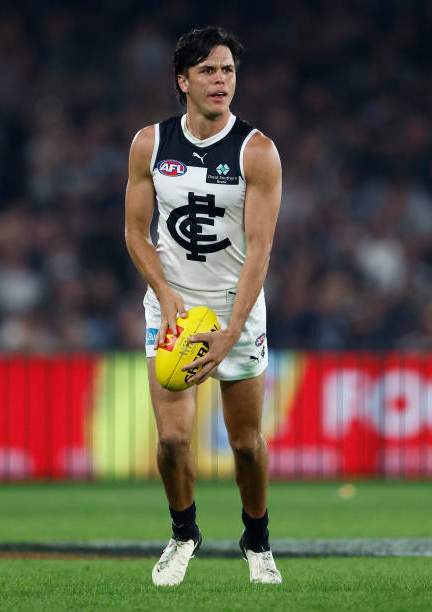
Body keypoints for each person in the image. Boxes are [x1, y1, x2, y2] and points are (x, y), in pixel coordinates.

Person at [124, 26, 282, 586]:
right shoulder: (150, 143)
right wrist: (166, 296)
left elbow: (260, 250)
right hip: (171, 308)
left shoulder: (257, 151)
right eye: (209, 71)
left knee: (244, 443)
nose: (221, 81)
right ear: (182, 81)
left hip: (235, 310)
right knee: (171, 439)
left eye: (228, 70)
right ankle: (183, 532)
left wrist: (231, 328)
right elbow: (135, 233)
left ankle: (257, 538)